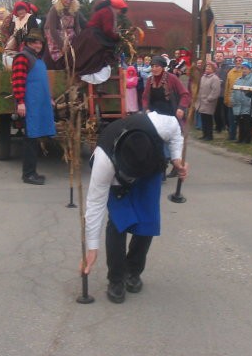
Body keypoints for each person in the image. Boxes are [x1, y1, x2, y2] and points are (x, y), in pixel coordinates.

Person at [81, 110, 188, 303]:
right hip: (118, 180)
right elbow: (95, 204)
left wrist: (176, 160)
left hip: (149, 170)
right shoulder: (104, 161)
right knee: (118, 222)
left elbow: (176, 132)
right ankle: (116, 279)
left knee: (147, 222)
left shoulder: (162, 124)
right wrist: (92, 248)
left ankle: (133, 271)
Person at [11, 29, 56, 185]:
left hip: (39, 105)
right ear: (29, 43)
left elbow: (41, 82)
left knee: (35, 138)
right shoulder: (22, 58)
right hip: (29, 106)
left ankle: (32, 172)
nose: (39, 45)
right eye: (36, 42)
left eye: (40, 43)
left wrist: (49, 98)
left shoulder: (37, 58)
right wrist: (21, 102)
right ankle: (28, 174)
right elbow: (17, 81)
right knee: (30, 140)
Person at [69, 0, 127, 81]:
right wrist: (117, 37)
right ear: (117, 7)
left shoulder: (105, 10)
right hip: (95, 37)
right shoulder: (108, 12)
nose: (119, 13)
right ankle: (99, 81)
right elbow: (107, 30)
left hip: (91, 35)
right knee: (100, 57)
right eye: (120, 11)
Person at [42, 0, 84, 70]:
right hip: (56, 37)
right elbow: (52, 29)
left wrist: (80, 41)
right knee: (57, 60)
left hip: (70, 36)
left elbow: (77, 27)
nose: (68, 1)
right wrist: (62, 45)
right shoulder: (54, 10)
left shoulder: (75, 10)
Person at [231, 62, 252, 143]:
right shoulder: (238, 79)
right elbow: (234, 91)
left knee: (247, 124)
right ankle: (240, 138)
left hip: (247, 105)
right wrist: (233, 99)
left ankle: (247, 139)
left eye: (245, 68)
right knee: (240, 123)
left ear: (249, 70)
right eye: (242, 68)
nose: (244, 70)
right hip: (238, 104)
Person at [195, 61, 221, 141]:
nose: (207, 68)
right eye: (206, 67)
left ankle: (209, 136)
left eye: (209, 67)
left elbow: (215, 91)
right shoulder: (203, 77)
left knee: (208, 119)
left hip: (209, 102)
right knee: (203, 119)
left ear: (213, 69)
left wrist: (209, 99)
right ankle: (204, 134)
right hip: (201, 101)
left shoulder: (215, 78)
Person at [223, 56, 244, 140]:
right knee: (231, 119)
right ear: (234, 62)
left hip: (241, 100)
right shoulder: (230, 73)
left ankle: (241, 137)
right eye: (237, 61)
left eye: (240, 60)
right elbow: (227, 87)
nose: (238, 62)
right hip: (231, 99)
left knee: (240, 120)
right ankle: (232, 136)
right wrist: (226, 99)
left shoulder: (245, 72)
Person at [213, 51, 229, 133]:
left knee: (225, 111)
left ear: (223, 58)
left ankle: (226, 125)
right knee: (216, 111)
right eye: (217, 56)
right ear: (215, 57)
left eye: (220, 56)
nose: (218, 57)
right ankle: (218, 127)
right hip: (215, 93)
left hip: (224, 92)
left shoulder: (227, 67)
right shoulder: (212, 67)